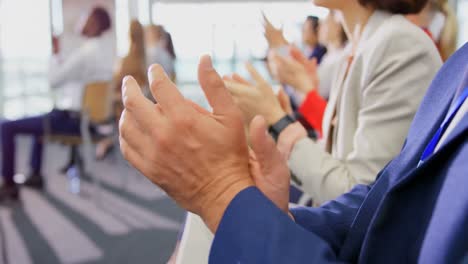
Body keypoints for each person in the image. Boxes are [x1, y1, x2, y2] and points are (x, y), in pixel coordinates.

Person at [119, 41, 467, 263]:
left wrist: (222, 191)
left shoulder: (400, 45)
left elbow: (352, 177)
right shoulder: (460, 67)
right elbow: (391, 198)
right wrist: (272, 218)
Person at [225, 0, 442, 204]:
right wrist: (277, 128)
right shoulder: (358, 49)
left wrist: (280, 123)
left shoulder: (397, 43)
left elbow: (361, 197)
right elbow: (337, 162)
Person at [0, 7, 115, 201]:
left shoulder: (85, 53)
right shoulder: (105, 52)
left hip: (75, 122)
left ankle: (8, 184)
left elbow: (53, 81)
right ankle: (35, 174)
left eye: (84, 16)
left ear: (93, 24)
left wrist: (55, 54)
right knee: (43, 120)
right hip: (94, 122)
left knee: (6, 126)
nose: (80, 20)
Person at [95, 20, 147, 159]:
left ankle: (107, 138)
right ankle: (108, 137)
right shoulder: (146, 60)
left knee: (108, 101)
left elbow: (117, 84)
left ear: (129, 35)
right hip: (140, 109)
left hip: (124, 109)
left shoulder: (126, 61)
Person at [317, 11, 348, 100]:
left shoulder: (341, 57)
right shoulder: (327, 56)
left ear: (338, 27)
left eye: (324, 23)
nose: (318, 28)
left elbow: (320, 92)